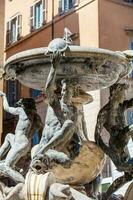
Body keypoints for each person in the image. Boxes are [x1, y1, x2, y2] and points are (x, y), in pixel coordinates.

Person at [0, 92, 43, 183]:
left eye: (21, 103)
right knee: (8, 136)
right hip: (23, 141)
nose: (20, 105)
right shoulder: (34, 116)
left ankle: (25, 185)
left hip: (20, 143)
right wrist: (29, 136)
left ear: (24, 105)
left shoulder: (21, 111)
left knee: (7, 167)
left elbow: (6, 108)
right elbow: (38, 126)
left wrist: (4, 96)